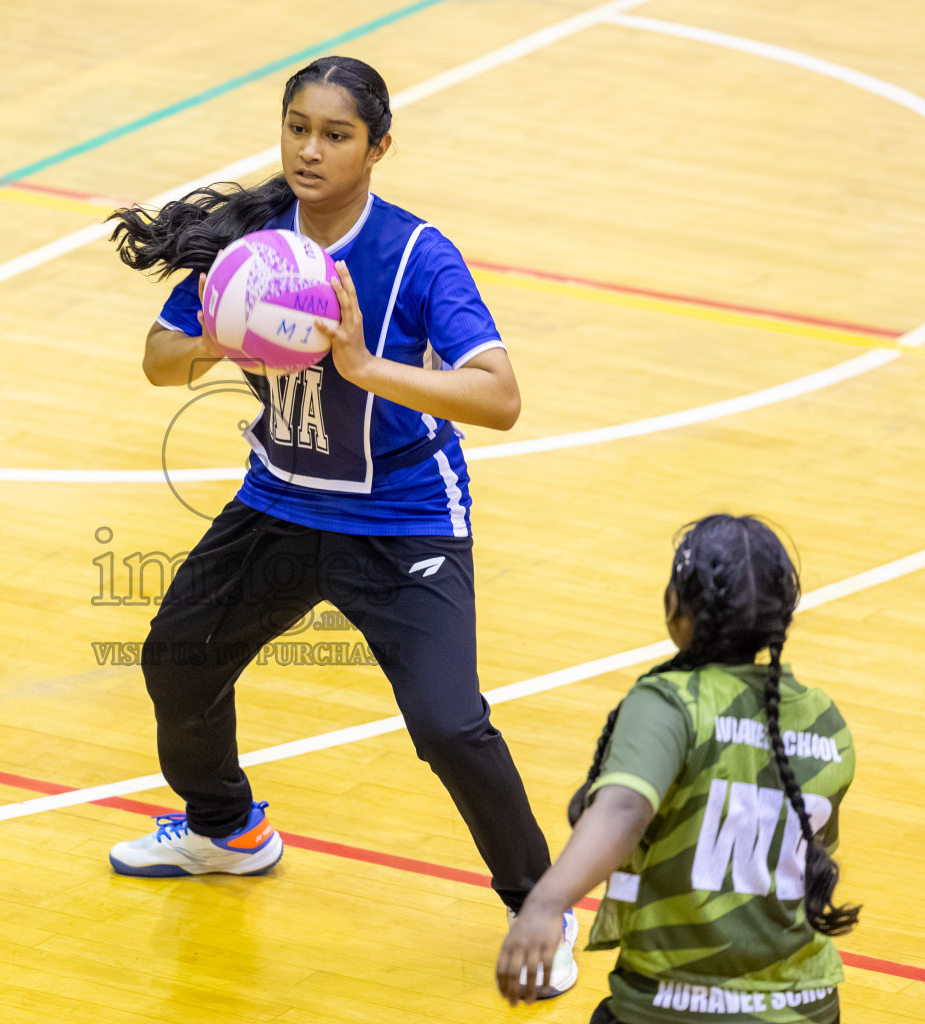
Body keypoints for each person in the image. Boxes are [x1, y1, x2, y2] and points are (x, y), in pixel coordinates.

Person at [103, 55, 577, 992]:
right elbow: (159, 359)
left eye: (336, 134)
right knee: (177, 657)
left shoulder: (413, 253)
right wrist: (219, 332)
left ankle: (540, 908)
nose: (310, 150)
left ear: (379, 147)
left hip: (402, 520)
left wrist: (364, 367)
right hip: (279, 500)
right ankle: (227, 830)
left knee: (449, 725)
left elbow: (501, 397)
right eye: (297, 128)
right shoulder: (248, 246)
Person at [496, 514, 861, 1022]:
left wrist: (543, 904)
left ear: (678, 607)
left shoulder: (669, 702)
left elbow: (624, 809)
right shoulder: (827, 721)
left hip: (675, 1005)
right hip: (809, 1003)